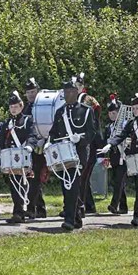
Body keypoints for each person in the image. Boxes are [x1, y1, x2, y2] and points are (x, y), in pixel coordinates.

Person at [99, 92, 138, 226]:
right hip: (133, 159)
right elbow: (121, 136)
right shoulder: (131, 123)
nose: (135, 110)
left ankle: (137, 216)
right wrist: (110, 144)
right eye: (133, 108)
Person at [46, 79, 95, 231]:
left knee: (73, 186)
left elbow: (93, 133)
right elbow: (54, 132)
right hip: (62, 153)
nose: (68, 94)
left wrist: (80, 138)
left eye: (71, 91)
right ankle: (77, 218)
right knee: (66, 185)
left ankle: (68, 219)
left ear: (77, 92)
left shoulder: (86, 111)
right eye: (66, 92)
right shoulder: (60, 112)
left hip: (79, 153)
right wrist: (49, 142)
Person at [0, 91, 37, 224]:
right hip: (10, 159)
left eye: (16, 106)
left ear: (21, 106)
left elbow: (32, 135)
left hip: (24, 156)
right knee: (14, 184)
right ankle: (18, 211)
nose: (13, 109)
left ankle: (24, 210)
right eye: (11, 107)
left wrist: (29, 146)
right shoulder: (7, 123)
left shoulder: (27, 120)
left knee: (24, 184)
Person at [74, 72, 101, 214]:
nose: (75, 88)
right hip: (74, 144)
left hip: (88, 143)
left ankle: (81, 206)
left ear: (82, 86)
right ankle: (88, 205)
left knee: (83, 176)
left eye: (78, 85)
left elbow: (94, 124)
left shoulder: (89, 100)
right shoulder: (68, 101)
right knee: (78, 175)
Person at [22, 78, 47, 218]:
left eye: (33, 91)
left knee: (35, 177)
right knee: (33, 178)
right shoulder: (25, 107)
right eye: (28, 92)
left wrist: (45, 139)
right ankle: (41, 208)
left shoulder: (43, 105)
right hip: (29, 147)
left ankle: (31, 208)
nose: (31, 94)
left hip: (41, 146)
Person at [102, 94, 128, 214]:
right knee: (117, 181)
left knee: (119, 181)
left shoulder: (125, 125)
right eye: (110, 113)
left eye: (114, 113)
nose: (112, 115)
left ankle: (114, 204)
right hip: (114, 156)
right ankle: (123, 206)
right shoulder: (108, 127)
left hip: (123, 156)